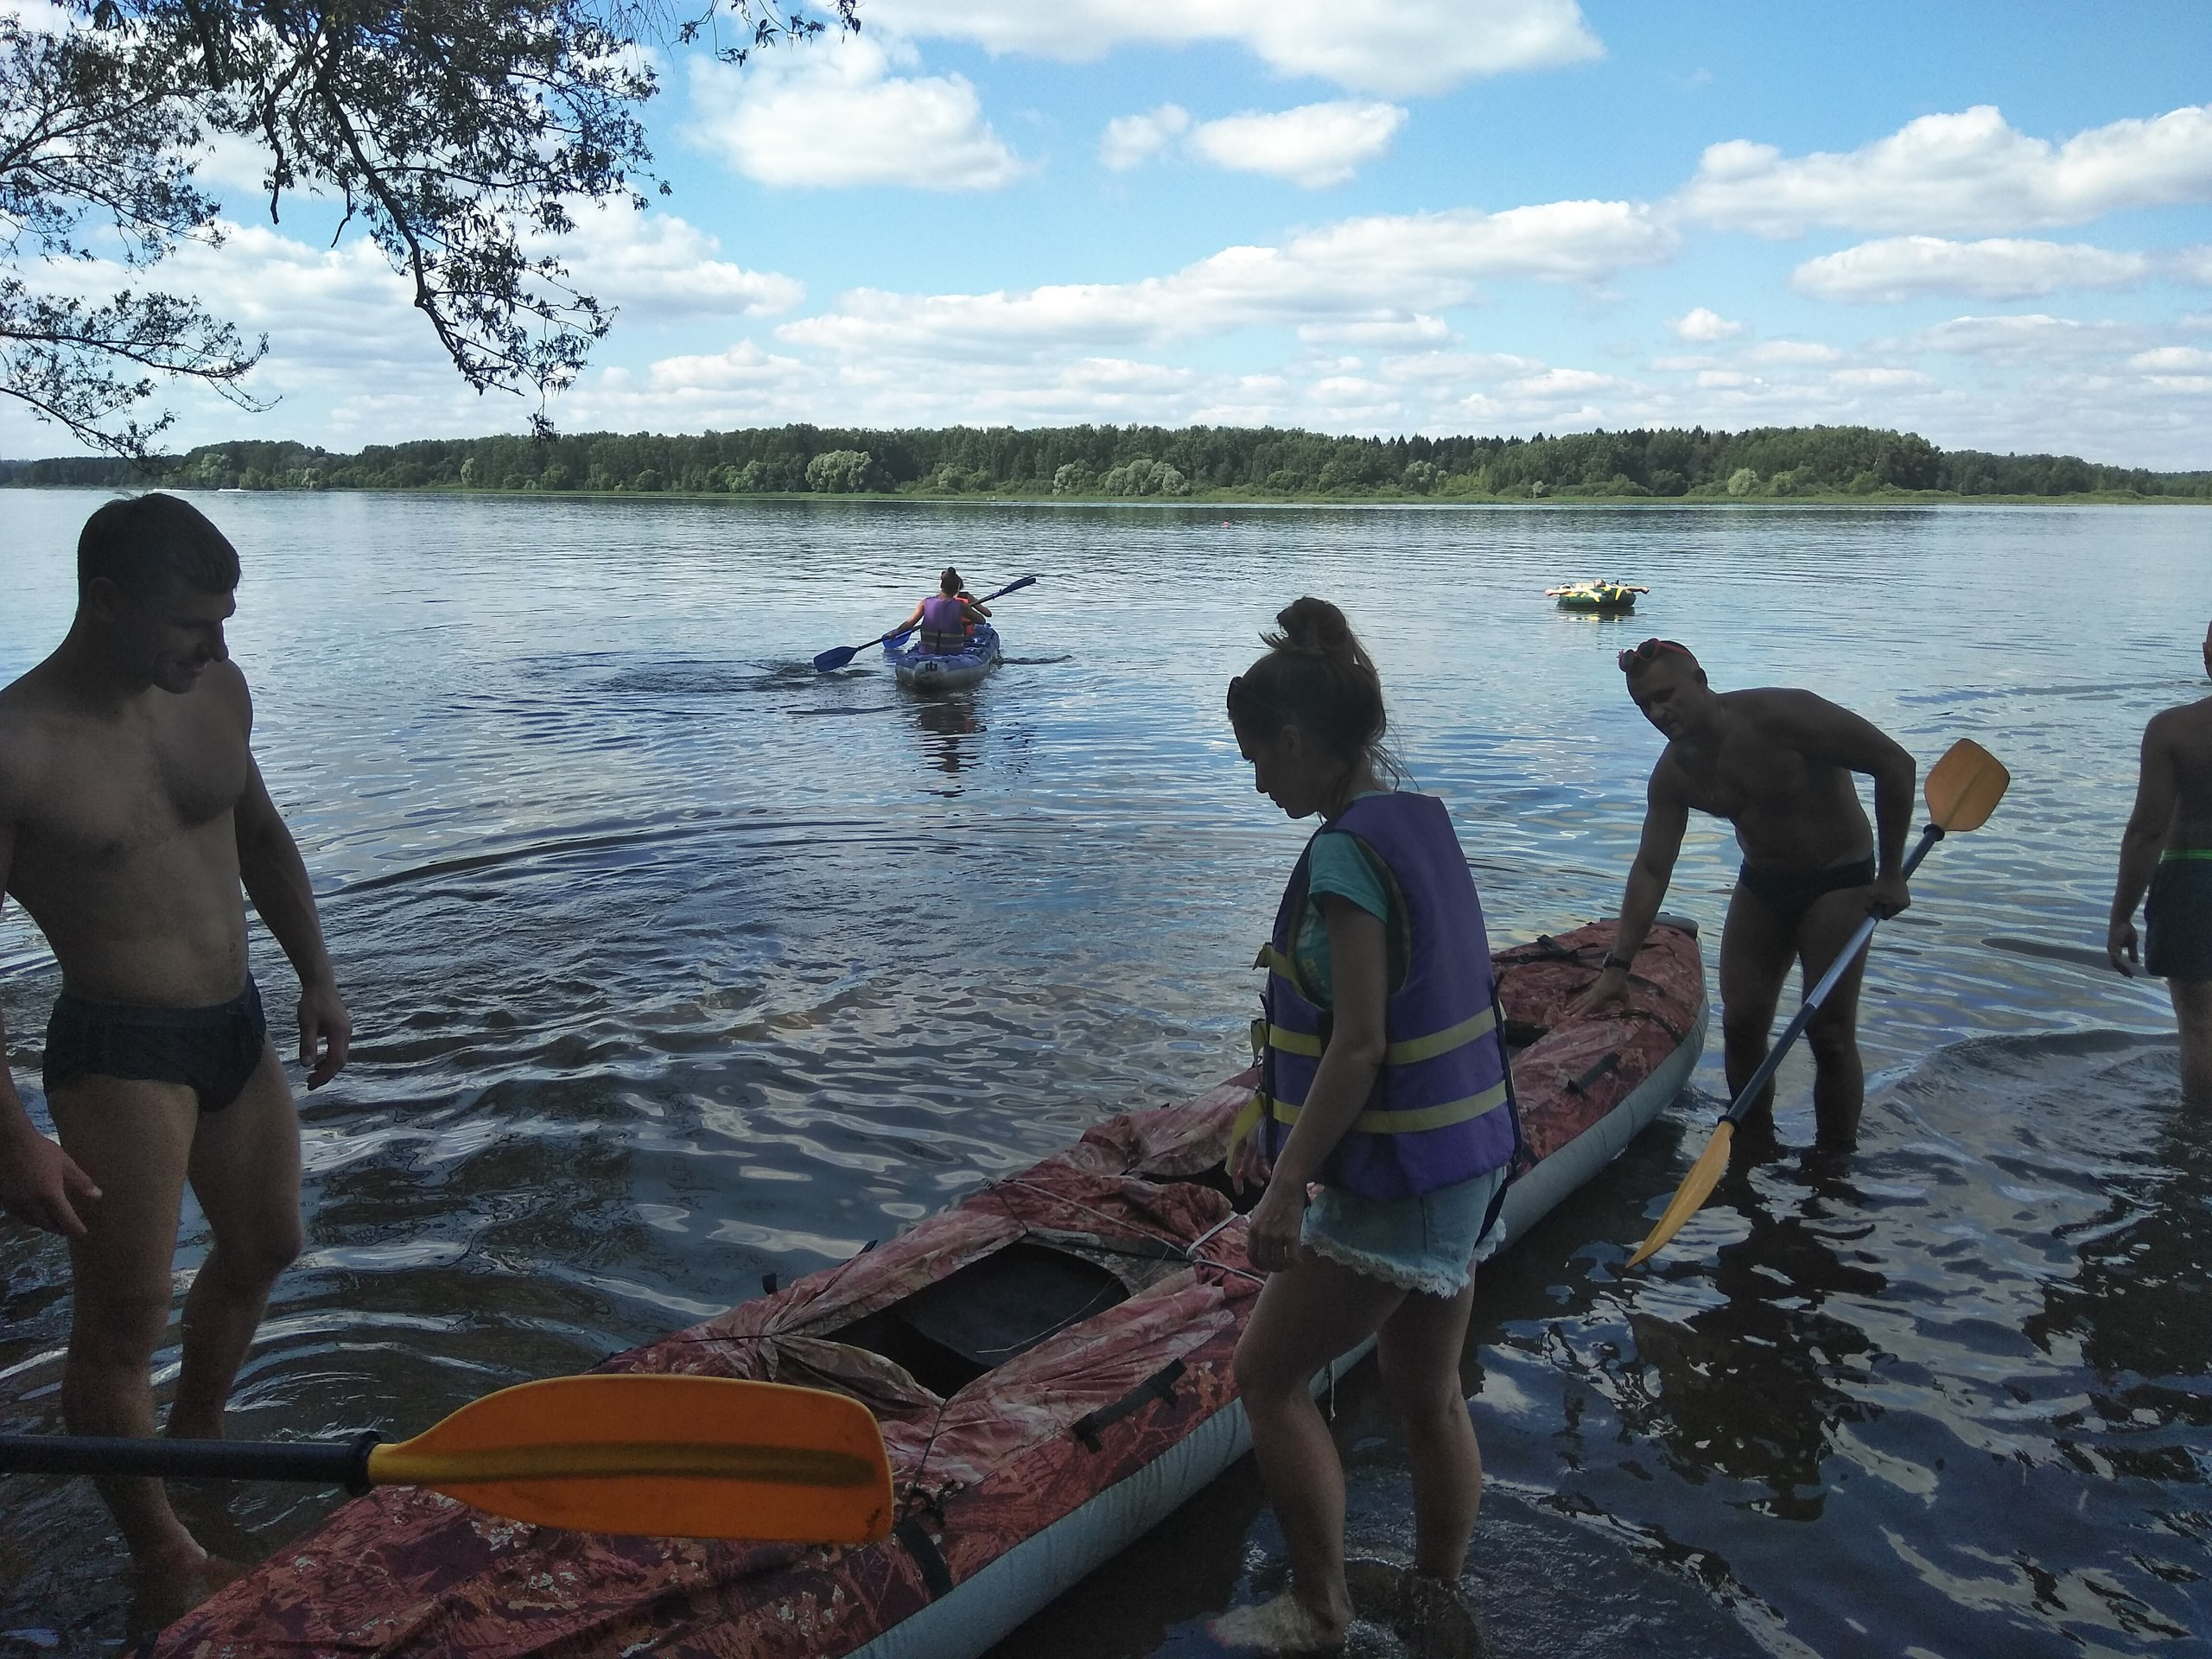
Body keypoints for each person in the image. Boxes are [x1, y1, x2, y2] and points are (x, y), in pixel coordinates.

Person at [0, 494, 350, 1596]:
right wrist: (13, 1139)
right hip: (119, 1048)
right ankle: (163, 1551)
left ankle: (199, 1443)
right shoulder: (15, 747)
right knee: (124, 1319)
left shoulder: (215, 691)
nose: (219, 645)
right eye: (193, 623)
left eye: (227, 619)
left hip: (235, 1025)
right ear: (105, 602)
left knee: (267, 1246)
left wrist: (318, 975)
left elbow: (256, 832)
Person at [1214, 598, 1516, 1651]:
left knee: (1266, 1377)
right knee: (1423, 1391)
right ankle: (1437, 1591)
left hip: (1399, 1179)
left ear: (1296, 740)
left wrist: (1288, 1182)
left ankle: (1318, 1608)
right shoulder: (1416, 820)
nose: (1256, 780)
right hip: (1469, 1162)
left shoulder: (1344, 858)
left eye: (1255, 757)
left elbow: (1358, 1046)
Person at [1572, 639, 1914, 1151]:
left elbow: (1894, 764)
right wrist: (1616, 969)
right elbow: (1650, 867)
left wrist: (1891, 873)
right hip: (1762, 883)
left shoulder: (1784, 715)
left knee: (1830, 1034)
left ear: (1701, 679)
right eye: (1644, 705)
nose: (1658, 712)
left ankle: (1833, 1168)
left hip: (1840, 880)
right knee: (1742, 1022)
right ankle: (1752, 1148)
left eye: (1666, 695)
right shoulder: (1675, 773)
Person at [2107, 619, 2212, 1101]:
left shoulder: (2172, 730)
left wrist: (2121, 916)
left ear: (2208, 655)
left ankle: (2196, 1151)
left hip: (2193, 880)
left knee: (2201, 1032)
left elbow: (2147, 831)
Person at [891, 567, 989, 655]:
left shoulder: (925, 602)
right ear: (957, 590)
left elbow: (909, 623)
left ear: (941, 586)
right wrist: (967, 609)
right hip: (953, 652)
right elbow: (982, 620)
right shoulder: (962, 606)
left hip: (926, 651)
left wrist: (896, 632)